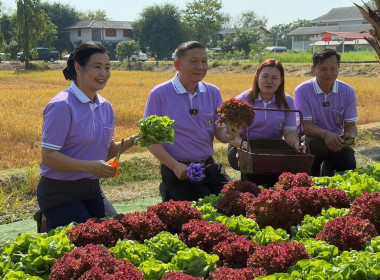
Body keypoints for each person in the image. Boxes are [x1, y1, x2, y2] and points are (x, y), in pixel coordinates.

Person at [37, 42, 139, 231]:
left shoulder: (105, 106)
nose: (104, 73)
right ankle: (47, 219)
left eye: (107, 68)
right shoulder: (61, 106)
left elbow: (106, 151)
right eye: (97, 67)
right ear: (78, 68)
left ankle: (50, 223)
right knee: (89, 241)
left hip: (92, 190)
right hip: (58, 192)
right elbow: (49, 157)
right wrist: (90, 167)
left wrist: (136, 139)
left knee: (118, 233)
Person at [143, 41, 239, 202]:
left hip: (209, 166)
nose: (200, 67)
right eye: (194, 61)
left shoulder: (212, 92)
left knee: (235, 201)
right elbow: (149, 140)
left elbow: (220, 133)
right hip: (179, 169)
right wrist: (175, 166)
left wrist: (232, 132)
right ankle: (167, 189)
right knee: (198, 216)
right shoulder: (160, 94)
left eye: (204, 61)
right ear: (177, 65)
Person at [228, 59, 304, 188]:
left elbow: (290, 132)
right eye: (265, 76)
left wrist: (296, 144)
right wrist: (242, 145)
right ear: (257, 77)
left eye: (275, 78)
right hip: (245, 145)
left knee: (285, 169)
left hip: (273, 147)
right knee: (251, 168)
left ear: (281, 81)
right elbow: (231, 134)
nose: (269, 81)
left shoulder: (287, 101)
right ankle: (249, 186)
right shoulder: (243, 100)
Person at [294, 48, 358, 176]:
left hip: (336, 140)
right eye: (323, 69)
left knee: (348, 159)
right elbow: (305, 125)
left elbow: (351, 126)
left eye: (333, 68)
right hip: (310, 137)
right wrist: (325, 134)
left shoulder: (347, 91)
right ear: (314, 69)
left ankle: (329, 171)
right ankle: (311, 177)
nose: (328, 73)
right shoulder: (302, 90)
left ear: (338, 68)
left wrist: (349, 137)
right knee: (313, 146)